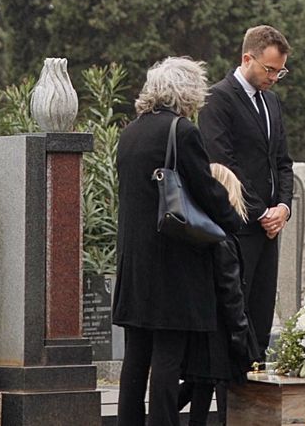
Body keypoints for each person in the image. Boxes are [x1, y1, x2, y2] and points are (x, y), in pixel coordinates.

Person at [114, 57, 247, 426]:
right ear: (187, 93)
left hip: (134, 262)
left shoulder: (131, 133)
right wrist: (234, 222)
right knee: (168, 361)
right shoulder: (182, 131)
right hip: (173, 266)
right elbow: (206, 189)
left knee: (135, 360)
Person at [198, 25, 295, 358]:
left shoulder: (272, 102)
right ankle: (231, 402)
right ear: (246, 58)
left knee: (261, 316)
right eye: (269, 70)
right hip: (238, 225)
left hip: (270, 227)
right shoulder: (218, 99)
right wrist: (260, 211)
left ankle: (257, 393)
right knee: (235, 319)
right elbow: (223, 163)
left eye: (280, 71)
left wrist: (283, 206)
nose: (273, 77)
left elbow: (282, 161)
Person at [177, 163, 257, 426]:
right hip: (221, 331)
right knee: (221, 389)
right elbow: (230, 291)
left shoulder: (194, 236)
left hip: (199, 326)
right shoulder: (223, 240)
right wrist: (240, 333)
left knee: (198, 387)